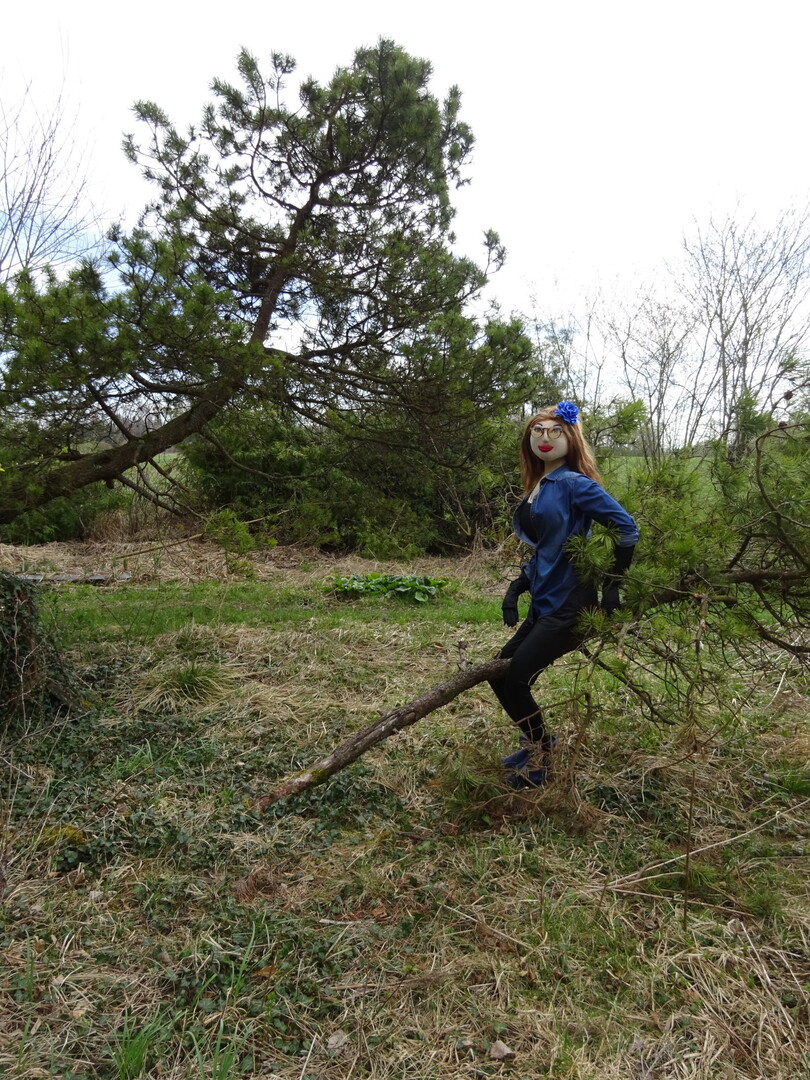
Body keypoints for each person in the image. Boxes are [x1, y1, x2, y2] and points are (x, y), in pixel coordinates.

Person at [490, 401, 639, 789]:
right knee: (498, 673)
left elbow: (627, 529)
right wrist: (516, 588)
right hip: (545, 599)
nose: (544, 437)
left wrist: (613, 588)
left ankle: (544, 759)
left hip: (571, 600)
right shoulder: (539, 486)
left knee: (517, 679)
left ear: (570, 438)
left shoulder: (575, 484)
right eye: (537, 430)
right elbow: (547, 548)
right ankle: (538, 743)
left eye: (555, 431)